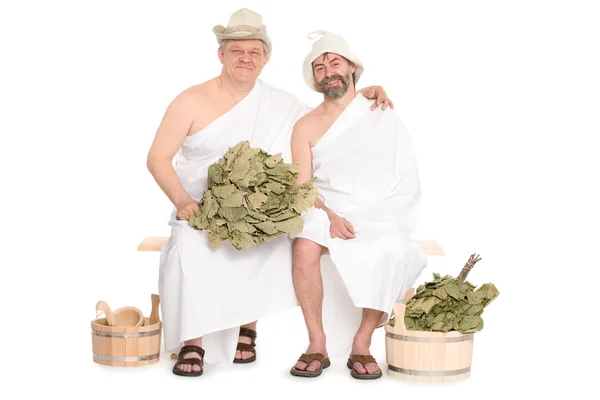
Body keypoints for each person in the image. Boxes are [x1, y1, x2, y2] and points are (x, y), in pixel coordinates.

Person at [146, 9, 394, 377]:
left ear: (265, 58)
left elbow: (328, 117)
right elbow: (157, 159)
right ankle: (192, 341)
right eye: (236, 51)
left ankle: (249, 325)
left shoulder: (281, 103)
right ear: (221, 55)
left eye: (254, 52)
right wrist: (184, 202)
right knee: (189, 246)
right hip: (199, 209)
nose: (246, 58)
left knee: (283, 238)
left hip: (255, 210)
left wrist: (362, 94)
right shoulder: (190, 101)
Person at [288, 30, 428, 379]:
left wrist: (378, 212)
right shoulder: (304, 125)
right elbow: (302, 187)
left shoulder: (377, 109)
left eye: (334, 62)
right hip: (326, 207)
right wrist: (330, 215)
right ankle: (316, 342)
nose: (328, 71)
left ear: (352, 67)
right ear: (314, 79)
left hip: (380, 207)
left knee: (391, 245)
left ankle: (362, 343)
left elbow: (403, 170)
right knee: (304, 245)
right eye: (319, 68)